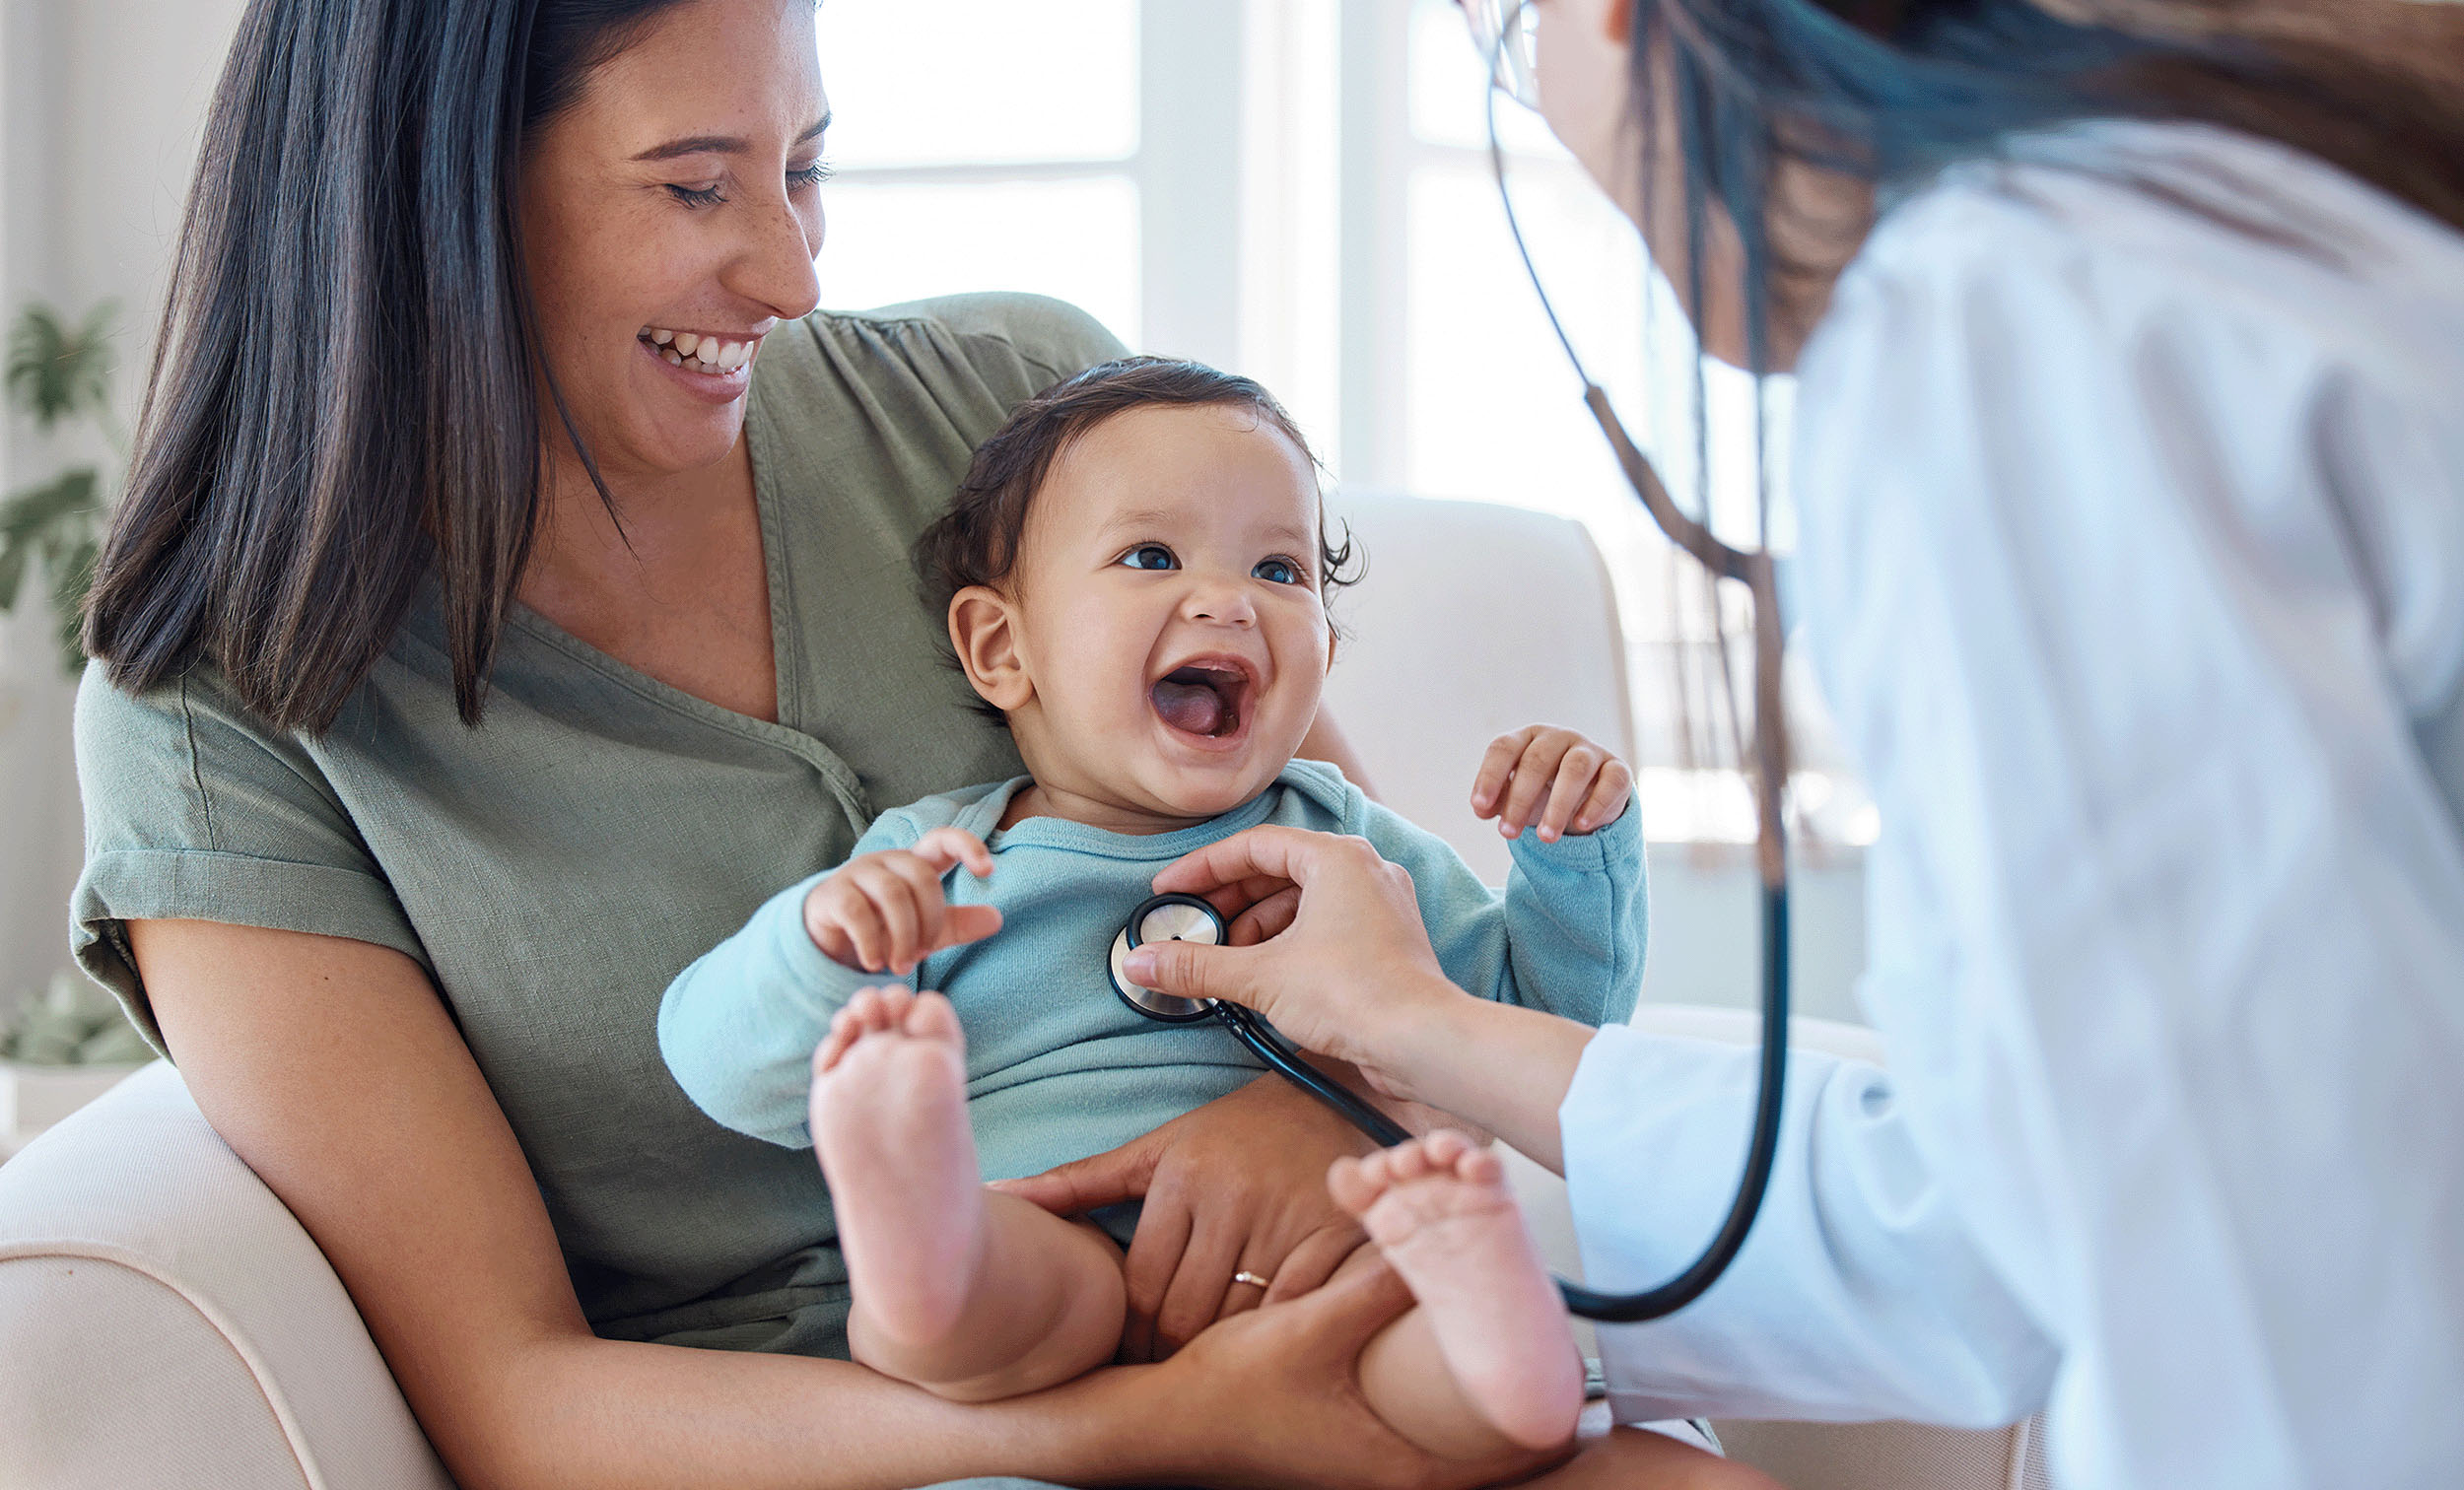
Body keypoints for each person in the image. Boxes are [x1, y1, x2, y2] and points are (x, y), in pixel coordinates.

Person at [62, 1, 1753, 1486]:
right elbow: (522, 1403)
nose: (791, 278)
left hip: (1305, 1314)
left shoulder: (1022, 404)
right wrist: (1135, 1428)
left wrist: (1310, 1127)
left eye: (806, 167)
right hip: (854, 1435)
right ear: (425, 204)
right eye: (694, 184)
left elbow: (1360, 929)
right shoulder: (219, 719)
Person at [1088, 1, 2464, 1486]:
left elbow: (2243, 1264)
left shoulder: (2012, 322)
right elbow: (2013, 1208)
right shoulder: (2200, 236)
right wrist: (1415, 1028)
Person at [657, 357, 1642, 1458]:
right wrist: (819, 947)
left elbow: (1534, 1027)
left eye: (1280, 568)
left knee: (1453, 1392)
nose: (1228, 598)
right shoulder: (943, 863)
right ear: (1002, 648)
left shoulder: (1347, 845)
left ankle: (1493, 1320)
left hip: (1329, 1263)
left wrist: (1569, 857)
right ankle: (919, 1221)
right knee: (968, 1313)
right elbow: (721, 1069)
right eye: (1150, 555)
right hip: (1052, 1243)